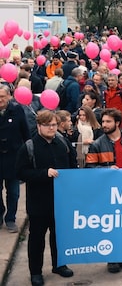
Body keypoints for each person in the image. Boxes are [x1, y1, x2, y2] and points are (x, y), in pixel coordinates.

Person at [16, 110, 77, 286]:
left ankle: (59, 264)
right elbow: (21, 172)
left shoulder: (62, 142)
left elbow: (73, 165)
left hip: (61, 200)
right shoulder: (29, 146)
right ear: (39, 126)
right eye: (47, 125)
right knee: (37, 238)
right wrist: (44, 173)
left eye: (54, 125)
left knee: (59, 236)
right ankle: (35, 271)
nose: (52, 128)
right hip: (39, 202)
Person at [85, 108, 122, 273]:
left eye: (108, 122)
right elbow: (89, 168)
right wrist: (105, 169)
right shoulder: (97, 144)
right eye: (103, 122)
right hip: (107, 193)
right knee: (110, 226)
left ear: (117, 123)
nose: (104, 125)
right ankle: (112, 258)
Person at [0, 84, 31, 233]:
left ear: (9, 97)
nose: (0, 99)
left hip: (13, 158)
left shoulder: (17, 110)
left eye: (2, 96)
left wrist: (28, 152)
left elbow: (26, 132)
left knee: (13, 192)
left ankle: (10, 218)